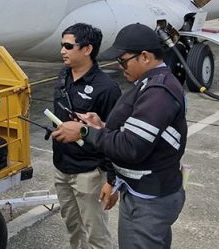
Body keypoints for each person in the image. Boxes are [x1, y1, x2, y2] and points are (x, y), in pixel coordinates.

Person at [52, 23, 188, 249]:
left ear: (144, 57)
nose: (119, 66)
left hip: (148, 200)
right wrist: (103, 126)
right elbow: (138, 133)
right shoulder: (149, 84)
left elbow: (131, 147)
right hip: (146, 192)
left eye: (123, 60)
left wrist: (85, 132)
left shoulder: (158, 92)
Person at [51, 23, 121, 249]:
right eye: (62, 45)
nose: (63, 51)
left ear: (87, 49)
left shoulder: (106, 88)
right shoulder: (63, 76)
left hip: (89, 173)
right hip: (62, 169)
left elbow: (114, 135)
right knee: (73, 228)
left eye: (68, 46)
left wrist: (111, 181)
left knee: (96, 235)